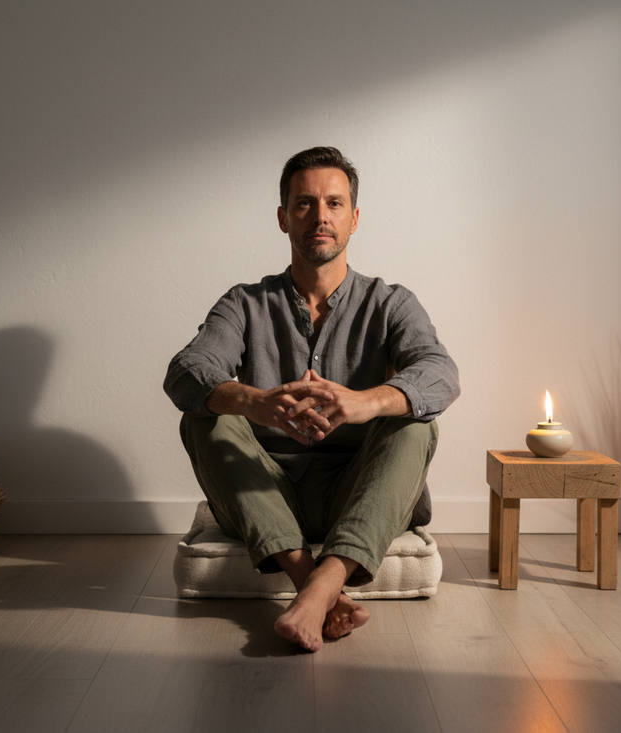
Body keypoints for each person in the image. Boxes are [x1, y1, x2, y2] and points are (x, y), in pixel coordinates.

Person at [164, 146, 459, 652]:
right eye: (304, 203)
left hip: (360, 492)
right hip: (264, 495)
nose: (320, 216)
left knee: (416, 420)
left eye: (334, 203)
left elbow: (440, 373)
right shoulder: (244, 303)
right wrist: (253, 401)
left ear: (354, 218)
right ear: (283, 217)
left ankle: (320, 586)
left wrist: (367, 402)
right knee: (206, 414)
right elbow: (185, 371)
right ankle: (316, 584)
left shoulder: (392, 303)